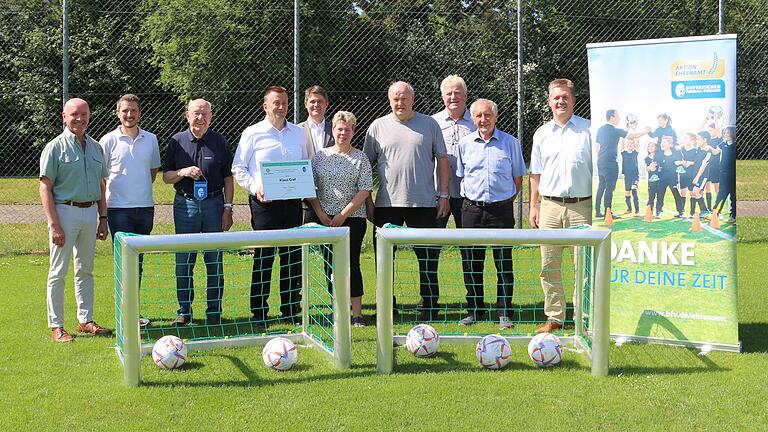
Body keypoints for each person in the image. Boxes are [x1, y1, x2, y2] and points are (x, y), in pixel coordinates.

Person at [363, 81, 450, 321]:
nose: (399, 102)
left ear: (413, 99)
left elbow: (442, 160)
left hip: (422, 204)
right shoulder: (377, 127)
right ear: (389, 100)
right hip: (386, 205)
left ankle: (430, 306)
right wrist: (368, 201)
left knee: (428, 259)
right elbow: (364, 166)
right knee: (384, 260)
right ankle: (386, 308)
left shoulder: (429, 125)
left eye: (403, 98)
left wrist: (443, 194)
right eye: (395, 98)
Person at [232, 86, 307, 328]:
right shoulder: (252, 133)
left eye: (284, 102)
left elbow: (303, 165)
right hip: (264, 204)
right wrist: (256, 188)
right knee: (264, 257)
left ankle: (289, 310)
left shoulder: (297, 133)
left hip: (293, 203)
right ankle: (259, 312)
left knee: (292, 257)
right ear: (265, 106)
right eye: (276, 102)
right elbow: (238, 168)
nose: (281, 106)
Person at [39, 98, 112, 342]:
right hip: (64, 213)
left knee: (86, 270)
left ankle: (85, 320)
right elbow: (45, 187)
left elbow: (102, 185)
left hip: (90, 213)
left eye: (83, 114)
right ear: (64, 116)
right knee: (58, 271)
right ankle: (57, 326)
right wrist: (54, 224)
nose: (79, 119)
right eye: (73, 114)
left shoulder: (95, 147)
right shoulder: (55, 147)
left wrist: (103, 218)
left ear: (89, 116)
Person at [162, 99, 234, 326]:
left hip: (214, 204)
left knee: (214, 261)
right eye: (196, 113)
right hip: (186, 205)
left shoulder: (219, 140)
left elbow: (228, 178)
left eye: (204, 114)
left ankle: (214, 312)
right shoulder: (177, 141)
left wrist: (228, 208)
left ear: (211, 116)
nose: (200, 118)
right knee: (184, 261)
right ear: (187, 115)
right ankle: (184, 311)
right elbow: (166, 177)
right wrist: (182, 172)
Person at [454, 99, 525, 330]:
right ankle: (475, 309)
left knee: (503, 262)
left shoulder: (510, 143)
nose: (483, 120)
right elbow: (462, 176)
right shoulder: (464, 144)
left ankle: (504, 311)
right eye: (478, 116)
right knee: (471, 262)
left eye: (487, 115)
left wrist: (505, 201)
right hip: (471, 210)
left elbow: (518, 178)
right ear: (472, 119)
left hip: (501, 210)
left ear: (496, 117)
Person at [528, 79, 592, 334]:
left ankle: (584, 319)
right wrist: (533, 206)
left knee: (584, 267)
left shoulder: (589, 130)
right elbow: (536, 174)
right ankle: (555, 317)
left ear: (573, 100)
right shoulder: (541, 133)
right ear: (549, 101)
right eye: (556, 97)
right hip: (550, 207)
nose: (561, 101)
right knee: (548, 266)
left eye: (565, 97)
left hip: (582, 207)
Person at [99, 94, 161, 327]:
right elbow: (102, 178)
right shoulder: (108, 140)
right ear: (118, 113)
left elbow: (152, 172)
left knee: (139, 262)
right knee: (123, 263)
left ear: (139, 113)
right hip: (118, 209)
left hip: (145, 209)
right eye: (125, 110)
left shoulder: (151, 139)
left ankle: (134, 311)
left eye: (133, 110)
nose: (129, 114)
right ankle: (124, 314)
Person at [307, 111, 373, 327]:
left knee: (352, 264)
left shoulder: (360, 157)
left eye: (347, 129)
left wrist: (343, 215)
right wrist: (321, 214)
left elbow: (364, 190)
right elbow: (311, 188)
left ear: (353, 131)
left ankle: (357, 314)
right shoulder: (320, 157)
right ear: (333, 130)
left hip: (352, 219)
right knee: (330, 266)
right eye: (339, 129)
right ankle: (338, 310)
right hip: (326, 220)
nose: (343, 133)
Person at [432, 75, 476, 228]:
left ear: (466, 95)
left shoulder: (477, 122)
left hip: (467, 194)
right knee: (432, 242)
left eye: (457, 93)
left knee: (468, 244)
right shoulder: (432, 122)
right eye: (448, 93)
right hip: (438, 192)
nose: (453, 97)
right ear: (442, 96)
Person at [594, 109, 648, 218]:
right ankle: (608, 212)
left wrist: (600, 158)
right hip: (610, 163)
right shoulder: (615, 130)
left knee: (601, 187)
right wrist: (645, 131)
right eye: (618, 116)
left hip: (601, 162)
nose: (619, 118)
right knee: (609, 188)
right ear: (612, 117)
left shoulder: (600, 129)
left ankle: (598, 212)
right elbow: (633, 136)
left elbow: (597, 146)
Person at [298, 85, 334, 224]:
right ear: (306, 104)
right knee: (305, 242)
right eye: (312, 101)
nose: (316, 105)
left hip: (331, 196)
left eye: (320, 101)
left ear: (326, 104)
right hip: (304, 199)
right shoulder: (296, 131)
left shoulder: (336, 130)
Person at [657, 136, 685, 217]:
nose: (662, 144)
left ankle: (681, 211)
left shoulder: (676, 154)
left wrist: (680, 163)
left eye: (664, 142)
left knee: (675, 193)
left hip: (673, 177)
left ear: (670, 145)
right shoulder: (660, 154)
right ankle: (659, 211)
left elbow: (680, 162)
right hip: (662, 177)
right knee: (660, 194)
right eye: (662, 142)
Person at [712, 126, 736, 219]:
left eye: (728, 132)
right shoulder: (723, 143)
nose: (726, 134)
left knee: (733, 194)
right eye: (725, 132)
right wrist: (709, 148)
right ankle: (716, 212)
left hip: (733, 173)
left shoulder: (735, 145)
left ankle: (733, 214)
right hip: (724, 173)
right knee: (722, 193)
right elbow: (715, 152)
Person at [620, 137, 640, 216]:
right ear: (626, 144)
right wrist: (625, 134)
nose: (630, 144)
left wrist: (634, 131)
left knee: (634, 190)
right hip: (627, 176)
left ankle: (637, 211)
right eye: (628, 143)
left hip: (635, 175)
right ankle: (629, 209)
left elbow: (637, 141)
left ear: (634, 145)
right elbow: (622, 141)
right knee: (627, 193)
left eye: (632, 143)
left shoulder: (635, 152)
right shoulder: (623, 152)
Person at [644, 140, 662, 218]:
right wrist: (650, 167)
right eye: (649, 146)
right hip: (651, 180)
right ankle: (649, 210)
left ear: (656, 147)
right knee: (651, 196)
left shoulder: (659, 156)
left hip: (660, 180)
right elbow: (647, 169)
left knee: (660, 196)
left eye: (652, 146)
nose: (650, 147)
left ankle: (658, 211)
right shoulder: (647, 158)